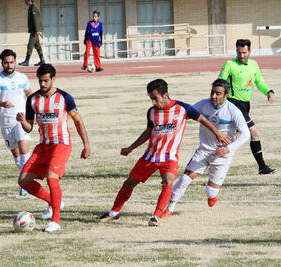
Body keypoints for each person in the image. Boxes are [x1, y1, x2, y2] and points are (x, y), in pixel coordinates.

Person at [97, 79, 231, 227]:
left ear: (166, 95)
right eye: (151, 99)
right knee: (129, 183)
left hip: (169, 158)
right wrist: (131, 148)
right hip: (150, 156)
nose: (153, 102)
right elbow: (148, 132)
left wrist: (217, 132)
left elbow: (202, 119)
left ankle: (156, 216)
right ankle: (113, 212)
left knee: (168, 180)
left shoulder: (183, 109)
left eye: (155, 98)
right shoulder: (152, 112)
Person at [16, 64, 90, 232]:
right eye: (40, 81)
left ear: (53, 79)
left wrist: (86, 145)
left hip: (61, 145)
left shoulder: (65, 98)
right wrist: (23, 122)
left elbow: (78, 121)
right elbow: (29, 128)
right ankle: (53, 202)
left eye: (46, 81)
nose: (42, 84)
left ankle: (55, 221)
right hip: (43, 147)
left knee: (51, 177)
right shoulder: (33, 100)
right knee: (23, 180)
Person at [161, 79, 250, 218]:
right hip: (203, 150)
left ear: (226, 96)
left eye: (218, 93)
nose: (213, 96)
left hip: (223, 155)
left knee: (211, 192)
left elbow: (246, 134)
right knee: (184, 179)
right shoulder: (203, 104)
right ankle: (169, 208)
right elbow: (187, 112)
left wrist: (228, 149)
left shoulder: (233, 110)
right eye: (212, 92)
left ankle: (213, 194)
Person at [218, 39, 276, 174]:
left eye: (244, 52)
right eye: (239, 52)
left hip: (245, 105)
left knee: (231, 136)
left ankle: (212, 160)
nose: (242, 55)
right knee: (254, 132)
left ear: (250, 51)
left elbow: (260, 82)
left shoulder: (254, 65)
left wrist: (268, 91)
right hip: (233, 103)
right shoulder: (229, 65)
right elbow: (220, 82)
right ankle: (262, 167)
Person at [0, 49, 32, 196]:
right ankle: (27, 177)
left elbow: (29, 95)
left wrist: (32, 115)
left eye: (11, 62)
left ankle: (25, 184)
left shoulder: (22, 78)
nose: (9, 65)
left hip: (21, 118)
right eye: (6, 62)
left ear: (15, 62)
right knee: (16, 154)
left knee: (24, 150)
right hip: (6, 121)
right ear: (2, 63)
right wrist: (2, 103)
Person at [19, 0, 45, 67]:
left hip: (34, 30)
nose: (25, 2)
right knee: (37, 45)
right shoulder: (31, 7)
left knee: (30, 45)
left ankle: (27, 61)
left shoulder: (33, 8)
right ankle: (42, 60)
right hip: (34, 30)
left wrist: (37, 30)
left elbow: (35, 20)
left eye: (26, 1)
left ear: (29, 0)